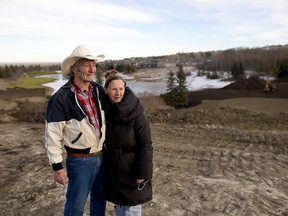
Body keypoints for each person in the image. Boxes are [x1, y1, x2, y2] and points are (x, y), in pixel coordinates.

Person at [44, 45, 106, 216]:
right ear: (75, 68)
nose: (92, 69)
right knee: (75, 208)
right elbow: (52, 135)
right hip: (80, 162)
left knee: (99, 200)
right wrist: (57, 167)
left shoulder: (98, 90)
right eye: (87, 65)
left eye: (94, 65)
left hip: (101, 156)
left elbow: (117, 98)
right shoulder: (60, 98)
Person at [103, 69, 153, 216]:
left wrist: (142, 173)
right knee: (120, 205)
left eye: (121, 89)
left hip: (132, 167)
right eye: (114, 89)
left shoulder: (136, 113)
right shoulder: (107, 110)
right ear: (106, 90)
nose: (118, 93)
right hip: (114, 167)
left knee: (131, 207)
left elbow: (146, 143)